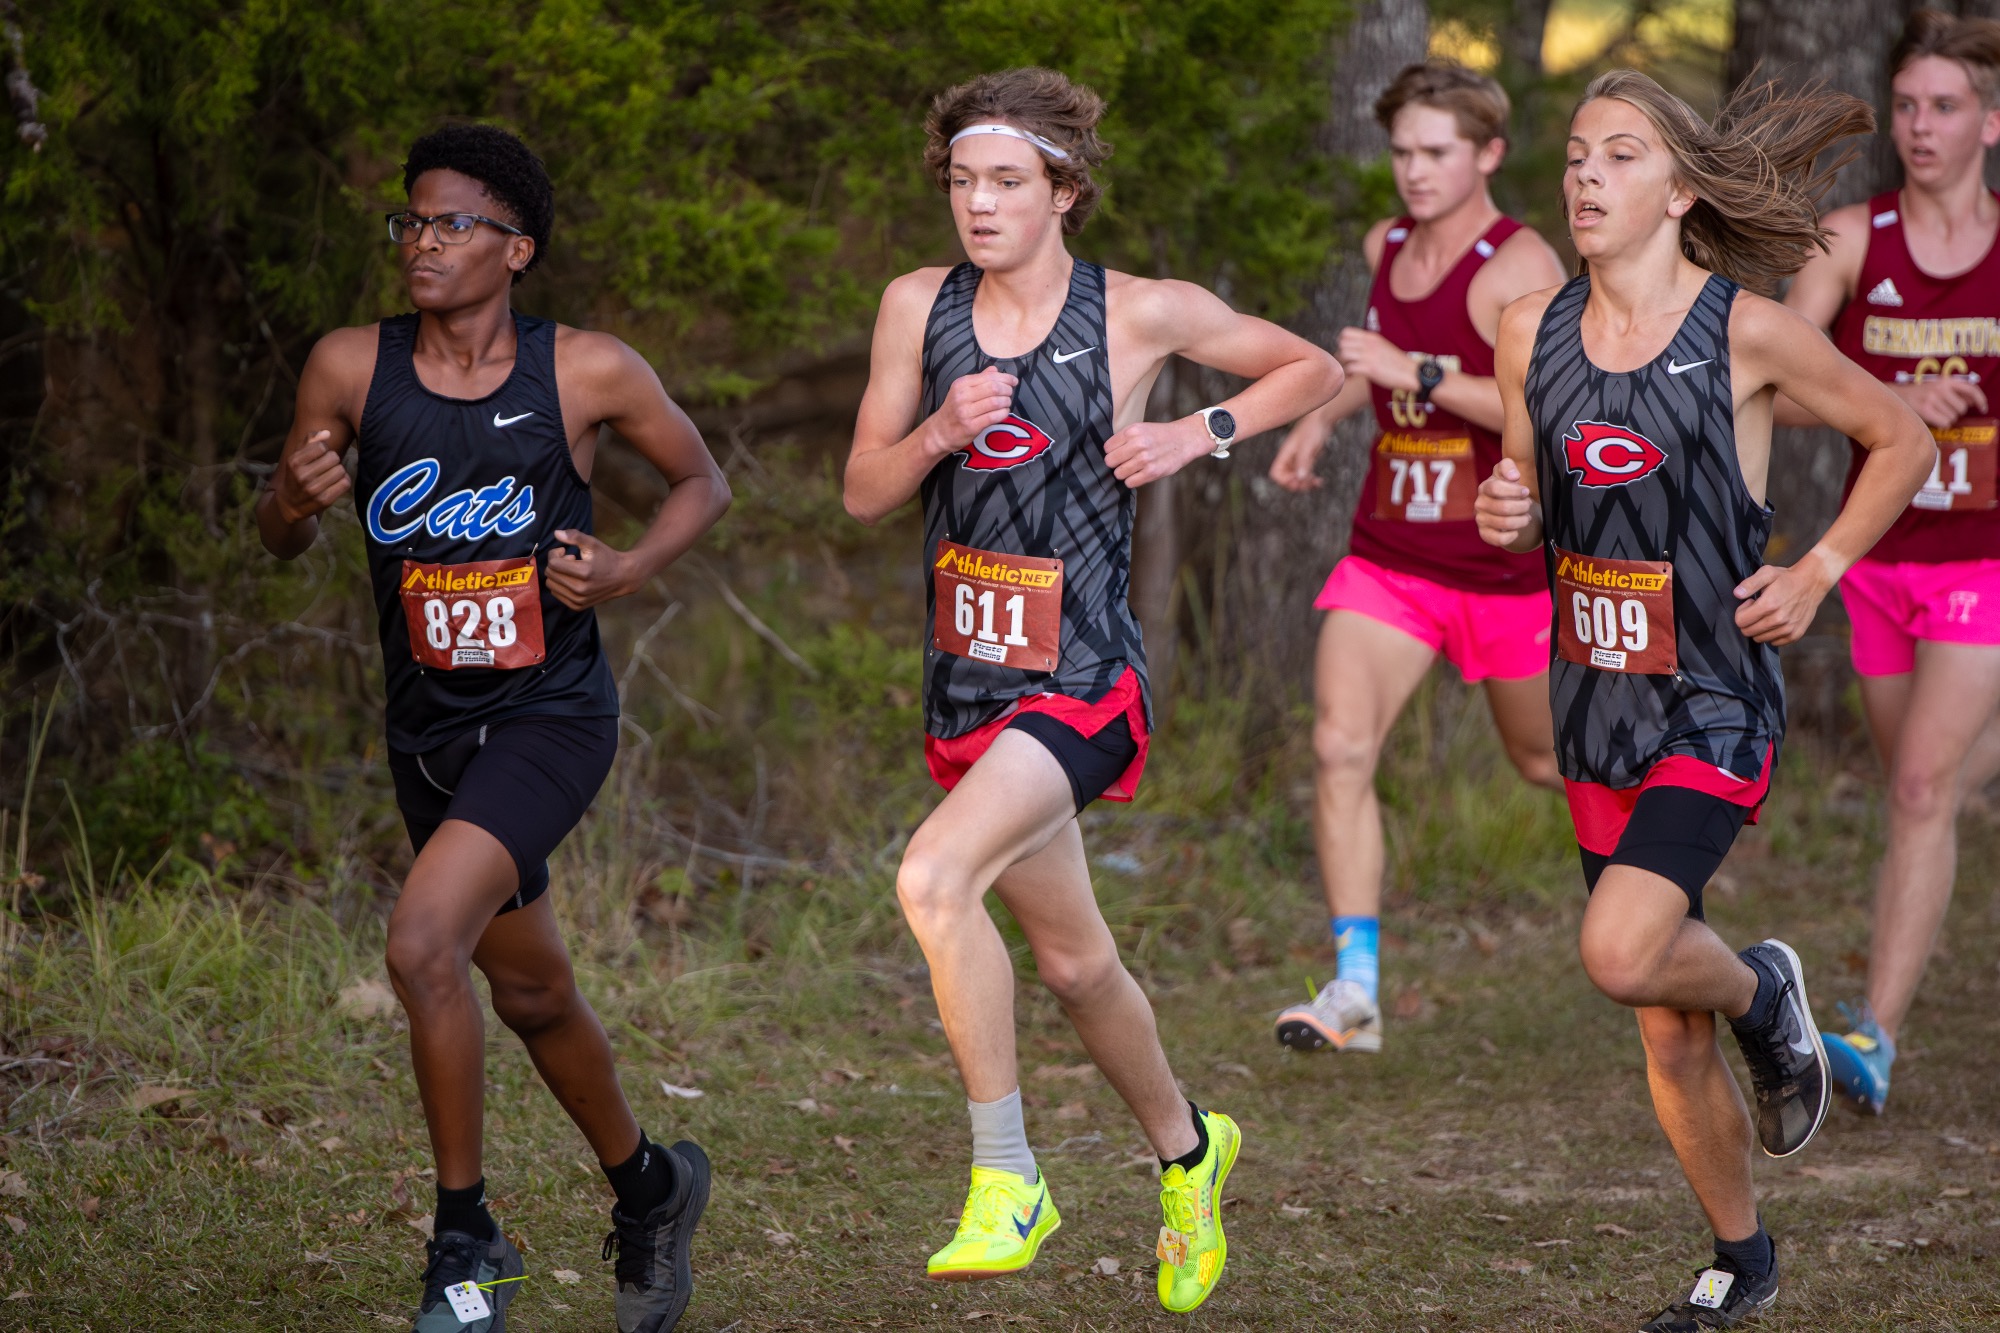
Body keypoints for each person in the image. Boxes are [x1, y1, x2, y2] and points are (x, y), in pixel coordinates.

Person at [844, 68, 1340, 1313]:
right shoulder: (918, 306)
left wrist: (1194, 435)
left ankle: (1007, 1174)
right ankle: (1190, 1150)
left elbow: (1308, 368)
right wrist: (936, 435)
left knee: (930, 879)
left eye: (1005, 181)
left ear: (1063, 191)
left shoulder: (1137, 311)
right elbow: (861, 488)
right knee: (1071, 963)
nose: (978, 203)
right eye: (961, 182)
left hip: (1080, 677)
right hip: (966, 683)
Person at [1474, 71, 1931, 1331]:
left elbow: (1899, 437)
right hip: (1595, 704)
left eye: (1617, 156)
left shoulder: (1745, 332)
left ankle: (1763, 994)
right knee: (1660, 1025)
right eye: (1573, 154)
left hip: (1713, 697)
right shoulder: (1526, 330)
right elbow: (1522, 494)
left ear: (1678, 193)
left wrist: (1820, 566)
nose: (1582, 176)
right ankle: (1742, 1255)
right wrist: (1501, 508)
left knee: (1620, 948)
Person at [257, 125, 731, 1333]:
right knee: (529, 995)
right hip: (425, 730)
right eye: (411, 221)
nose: (423, 242)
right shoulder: (350, 368)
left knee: (424, 946)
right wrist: (289, 505)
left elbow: (701, 480)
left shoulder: (583, 371)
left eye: (453, 224)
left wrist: (624, 567)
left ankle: (466, 1241)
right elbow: (279, 527)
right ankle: (651, 1185)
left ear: (515, 248)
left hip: (549, 714)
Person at [1268, 60, 1568, 1054]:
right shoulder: (1384, 242)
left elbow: (1541, 408)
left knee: (1541, 760)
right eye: (1400, 152)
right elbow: (1377, 360)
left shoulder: (1517, 265)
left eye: (1436, 152)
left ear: (1486, 152)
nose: (1413, 172)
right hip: (1390, 551)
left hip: (1502, 566)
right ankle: (1354, 989)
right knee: (1338, 749)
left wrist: (1418, 371)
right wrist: (1325, 413)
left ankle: (1671, 845)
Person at [1778, 8, 2000, 1118]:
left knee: (1919, 786)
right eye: (1906, 106)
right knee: (1921, 784)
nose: (1919, 126)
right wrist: (1881, 402)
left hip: (1985, 557)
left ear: (1989, 122)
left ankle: (1869, 1035)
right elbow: (1771, 371)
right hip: (1875, 559)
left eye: (1944, 107)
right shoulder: (1850, 238)